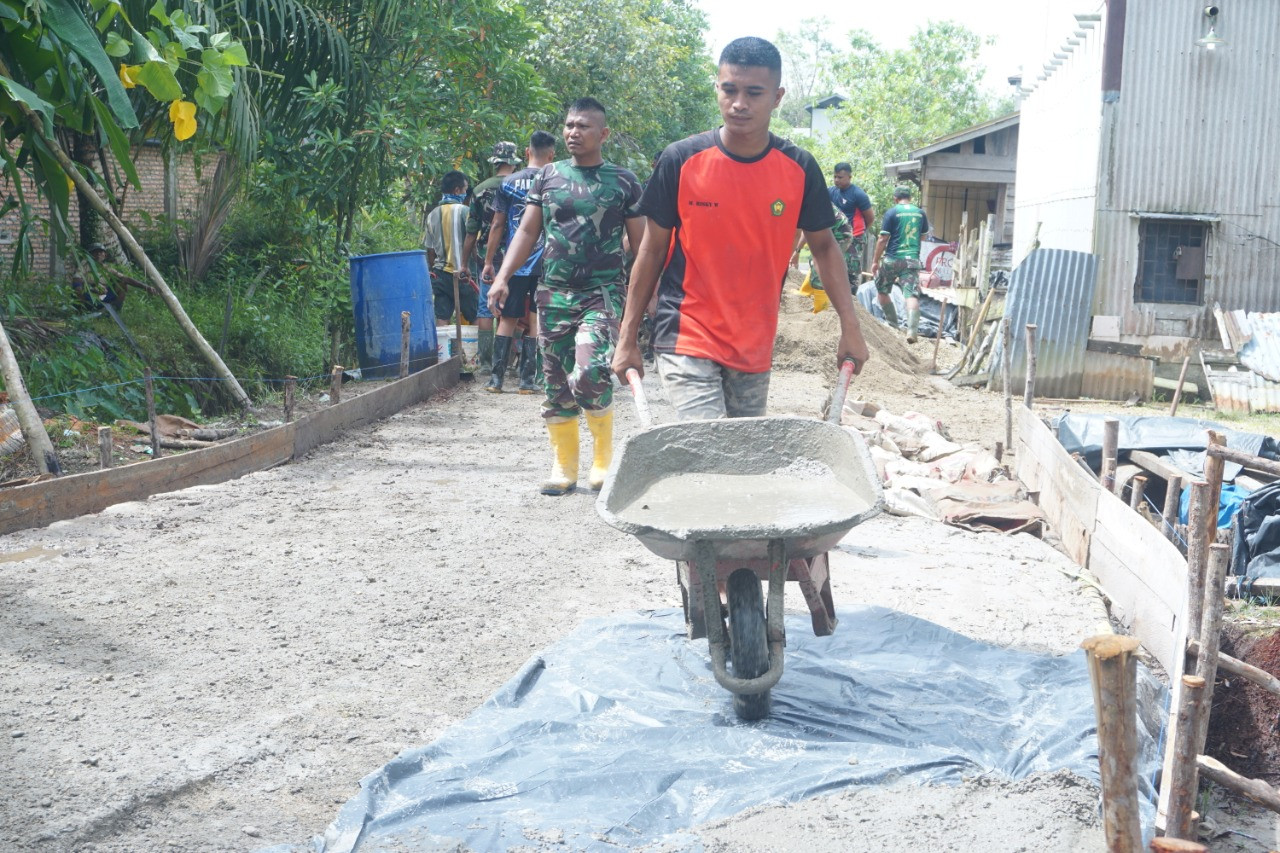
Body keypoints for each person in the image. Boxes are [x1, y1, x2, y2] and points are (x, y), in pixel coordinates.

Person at [612, 36, 869, 421]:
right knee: (709, 444)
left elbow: (825, 248)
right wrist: (627, 337)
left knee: (742, 459)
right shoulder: (681, 160)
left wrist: (851, 328)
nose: (739, 104)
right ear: (717, 87)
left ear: (778, 97)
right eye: (729, 89)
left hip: (754, 343)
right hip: (686, 332)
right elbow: (649, 251)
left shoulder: (799, 168)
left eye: (754, 92)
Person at [490, 98, 644, 496]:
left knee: (591, 371)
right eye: (569, 125)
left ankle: (604, 457)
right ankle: (564, 465)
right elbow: (526, 232)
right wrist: (503, 277)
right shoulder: (547, 178)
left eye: (584, 127)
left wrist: (645, 298)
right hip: (553, 293)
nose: (574, 132)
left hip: (603, 293)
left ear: (603, 134)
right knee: (555, 382)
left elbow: (643, 245)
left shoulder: (623, 181)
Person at [484, 130, 557, 394]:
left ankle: (496, 380)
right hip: (545, 263)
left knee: (508, 318)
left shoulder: (508, 183)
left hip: (513, 263)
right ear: (552, 155)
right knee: (536, 319)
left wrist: (490, 262)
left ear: (527, 152)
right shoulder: (556, 181)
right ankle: (527, 382)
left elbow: (497, 224)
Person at [463, 142, 521, 368]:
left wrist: (464, 264)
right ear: (514, 162)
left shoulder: (479, 189)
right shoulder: (521, 186)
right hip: (518, 256)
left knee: (485, 308)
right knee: (514, 304)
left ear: (494, 163)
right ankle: (510, 359)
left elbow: (471, 231)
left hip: (486, 257)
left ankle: (487, 363)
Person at [871, 184, 931, 342]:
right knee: (910, 295)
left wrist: (875, 261)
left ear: (895, 198)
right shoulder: (920, 213)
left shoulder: (892, 212)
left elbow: (883, 238)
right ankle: (912, 332)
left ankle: (893, 325)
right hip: (911, 261)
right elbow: (923, 237)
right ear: (910, 198)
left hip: (892, 259)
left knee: (882, 291)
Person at [424, 171, 476, 326]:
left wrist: (435, 271)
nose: (466, 193)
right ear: (457, 190)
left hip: (440, 274)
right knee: (475, 315)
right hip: (463, 274)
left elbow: (430, 250)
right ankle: (477, 349)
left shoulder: (432, 214)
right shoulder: (465, 211)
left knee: (442, 316)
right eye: (465, 189)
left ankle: (443, 350)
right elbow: (473, 241)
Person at [827, 162, 875, 283]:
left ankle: (851, 298)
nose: (836, 180)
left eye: (840, 177)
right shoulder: (830, 192)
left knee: (850, 273)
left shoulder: (858, 194)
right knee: (832, 268)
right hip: (836, 237)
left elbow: (870, 218)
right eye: (835, 177)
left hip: (854, 238)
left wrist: (858, 233)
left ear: (849, 177)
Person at [70, 242, 151, 312]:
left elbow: (125, 278)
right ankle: (84, 310)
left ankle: (114, 310)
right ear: (90, 254)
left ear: (105, 255)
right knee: (78, 287)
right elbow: (77, 278)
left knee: (123, 284)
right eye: (95, 252)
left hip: (104, 295)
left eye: (101, 252)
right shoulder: (85, 265)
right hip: (89, 294)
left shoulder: (107, 268)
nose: (98, 254)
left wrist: (145, 287)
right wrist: (92, 287)